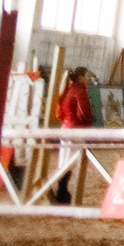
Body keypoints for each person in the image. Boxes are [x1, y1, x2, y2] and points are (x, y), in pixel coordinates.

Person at [51, 67, 95, 203]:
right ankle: (62, 191)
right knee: (71, 162)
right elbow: (83, 114)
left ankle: (61, 190)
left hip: (65, 129)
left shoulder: (68, 90)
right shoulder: (81, 92)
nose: (88, 79)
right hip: (76, 131)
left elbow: (59, 113)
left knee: (64, 161)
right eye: (87, 76)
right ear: (81, 77)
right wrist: (91, 120)